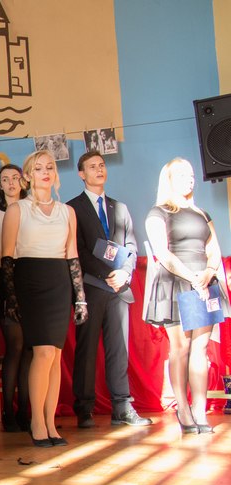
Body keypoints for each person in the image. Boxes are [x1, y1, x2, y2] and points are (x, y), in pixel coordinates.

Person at [1, 150, 87, 448]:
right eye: (38, 168)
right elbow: (7, 257)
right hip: (30, 281)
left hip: (59, 281)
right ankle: (36, 421)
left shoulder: (67, 212)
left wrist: (80, 298)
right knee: (43, 352)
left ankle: (50, 422)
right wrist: (12, 298)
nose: (46, 172)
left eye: (50, 167)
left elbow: (72, 256)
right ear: (28, 176)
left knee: (56, 356)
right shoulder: (17, 210)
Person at [143, 158, 231, 434]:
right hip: (176, 283)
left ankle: (199, 410)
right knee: (180, 348)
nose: (189, 179)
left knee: (200, 349)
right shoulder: (158, 212)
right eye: (182, 174)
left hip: (204, 283)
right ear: (168, 179)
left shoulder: (202, 213)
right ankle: (182, 408)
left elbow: (214, 250)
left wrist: (208, 273)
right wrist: (192, 277)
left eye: (191, 174)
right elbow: (163, 253)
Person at [66, 151, 151, 428]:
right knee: (87, 349)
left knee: (119, 349)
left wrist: (124, 273)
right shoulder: (72, 208)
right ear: (81, 174)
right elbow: (77, 250)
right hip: (90, 288)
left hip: (118, 289)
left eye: (102, 165)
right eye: (92, 166)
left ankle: (122, 407)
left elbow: (131, 247)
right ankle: (84, 408)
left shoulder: (120, 208)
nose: (99, 169)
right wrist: (107, 274)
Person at [0, 164, 31, 431]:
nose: (11, 183)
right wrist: (13, 267)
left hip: (32, 279)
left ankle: (25, 411)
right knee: (16, 345)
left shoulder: (33, 208)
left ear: (24, 182)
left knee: (30, 348)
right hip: (5, 279)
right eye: (5, 179)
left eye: (15, 178)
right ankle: (8, 412)